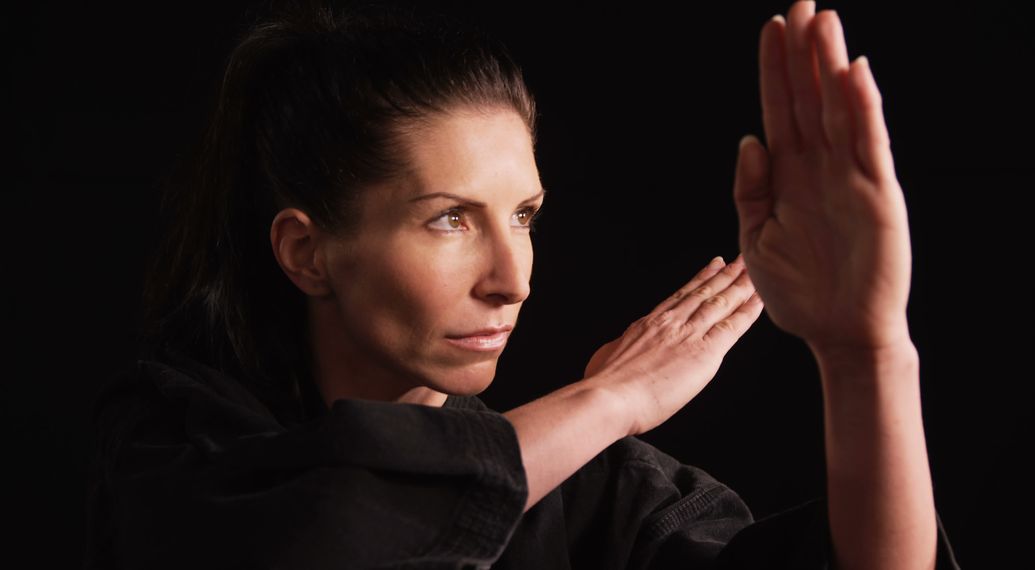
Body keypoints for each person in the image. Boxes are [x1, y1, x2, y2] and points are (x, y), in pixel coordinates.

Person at [83, 0, 960, 568]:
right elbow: (328, 537)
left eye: (525, 216)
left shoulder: (593, 496)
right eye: (450, 219)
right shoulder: (176, 455)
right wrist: (612, 398)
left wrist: (867, 353)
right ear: (307, 252)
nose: (512, 280)